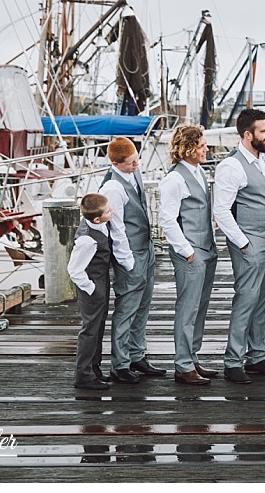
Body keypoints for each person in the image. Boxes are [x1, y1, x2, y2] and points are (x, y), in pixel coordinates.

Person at [213, 108, 265, 384]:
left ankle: (257, 357)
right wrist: (243, 243)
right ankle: (233, 362)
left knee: (261, 301)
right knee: (245, 300)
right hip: (249, 242)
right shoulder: (230, 167)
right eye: (264, 131)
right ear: (247, 134)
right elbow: (221, 211)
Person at [100, 137, 167, 383]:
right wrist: (128, 264)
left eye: (137, 159)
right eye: (130, 163)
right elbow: (117, 230)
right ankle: (120, 364)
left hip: (146, 249)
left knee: (143, 307)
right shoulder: (112, 188)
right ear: (115, 163)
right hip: (129, 255)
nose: (136, 165)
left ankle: (137, 355)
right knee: (127, 309)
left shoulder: (134, 173)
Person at [158, 125, 218, 386]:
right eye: (202, 145)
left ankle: (192, 358)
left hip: (206, 248)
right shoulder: (174, 179)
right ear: (190, 148)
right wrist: (188, 252)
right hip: (191, 253)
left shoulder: (199, 172)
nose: (206, 149)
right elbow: (167, 220)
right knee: (187, 308)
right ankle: (183, 366)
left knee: (200, 308)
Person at [67, 193, 120, 390]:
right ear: (97, 219)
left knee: (98, 328)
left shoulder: (98, 225)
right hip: (91, 286)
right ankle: (83, 376)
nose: (112, 211)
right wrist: (92, 288)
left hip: (101, 281)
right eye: (108, 211)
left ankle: (94, 369)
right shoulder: (87, 240)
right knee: (90, 330)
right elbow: (74, 270)